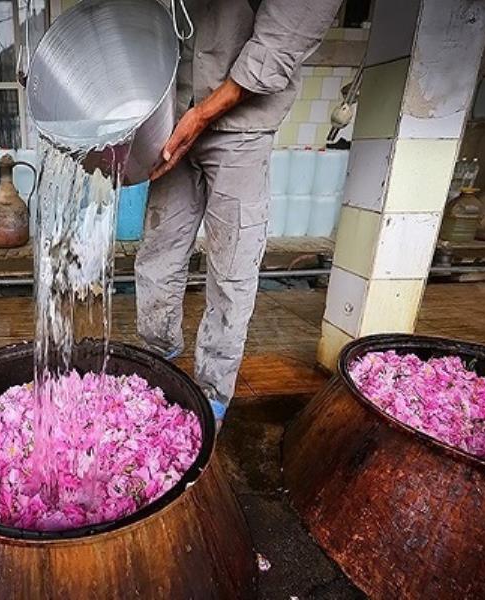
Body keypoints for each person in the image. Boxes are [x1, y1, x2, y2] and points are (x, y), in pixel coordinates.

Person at [136, 0, 343, 427]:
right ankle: (158, 371)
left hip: (241, 128)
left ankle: (211, 396)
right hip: (170, 123)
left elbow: (284, 35)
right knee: (157, 259)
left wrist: (203, 114)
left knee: (232, 271)